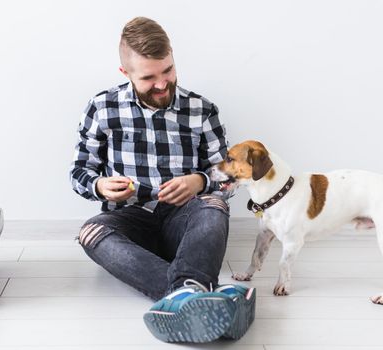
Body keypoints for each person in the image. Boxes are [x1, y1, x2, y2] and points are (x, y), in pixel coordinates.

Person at [70, 17, 255, 343]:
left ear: (172, 58)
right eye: (148, 77)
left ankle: (183, 297)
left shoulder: (201, 109)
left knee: (212, 205)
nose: (161, 84)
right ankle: (192, 292)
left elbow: (228, 177)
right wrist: (99, 185)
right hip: (130, 221)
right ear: (125, 74)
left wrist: (199, 181)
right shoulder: (102, 108)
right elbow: (80, 171)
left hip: (182, 222)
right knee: (90, 231)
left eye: (167, 71)